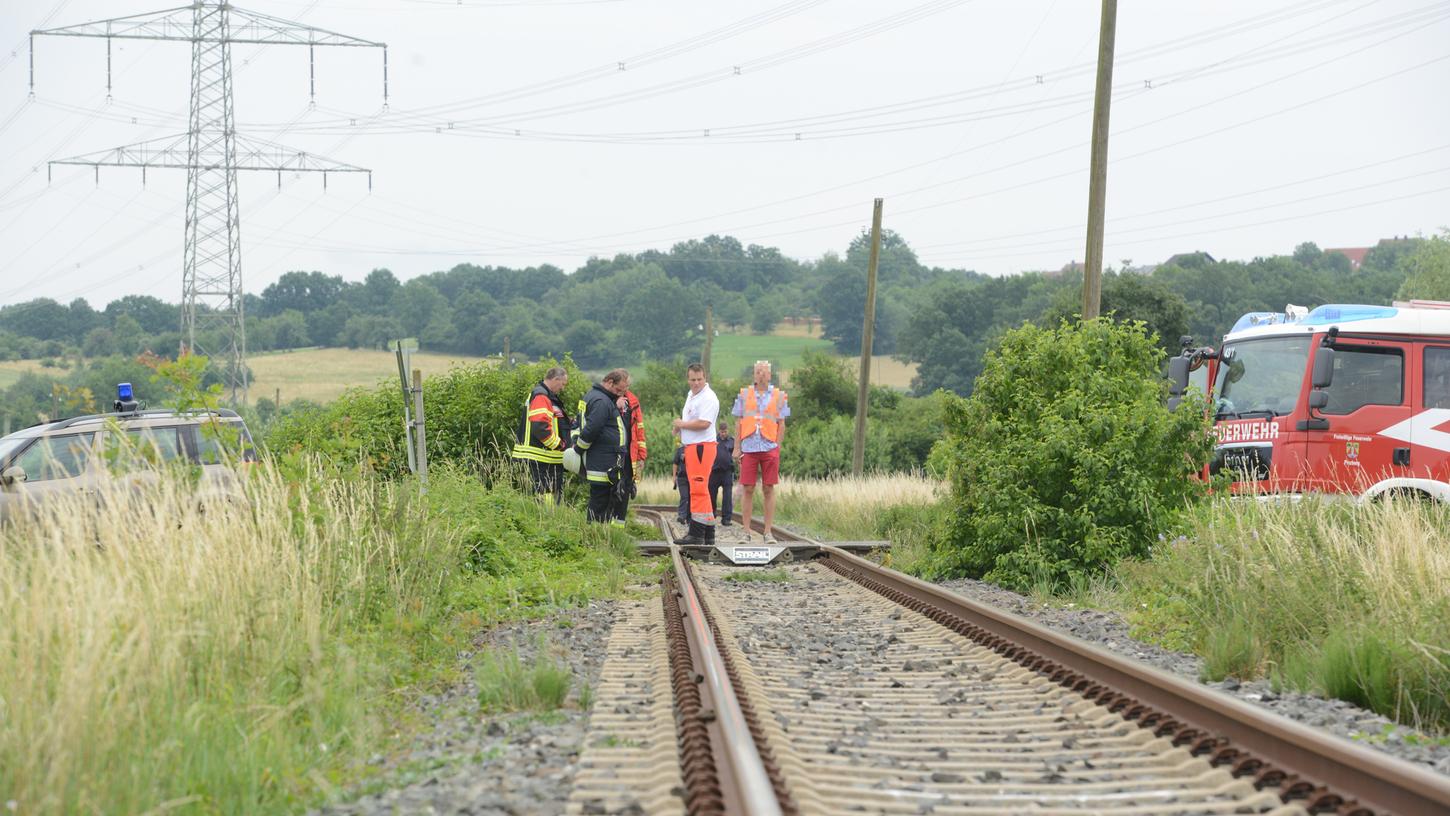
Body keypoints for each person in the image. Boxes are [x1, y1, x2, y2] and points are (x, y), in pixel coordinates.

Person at [732, 360, 790, 543]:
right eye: (758, 371)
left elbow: (782, 424)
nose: (761, 375)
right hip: (749, 446)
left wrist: (777, 447)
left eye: (764, 372)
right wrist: (736, 447)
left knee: (768, 488)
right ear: (754, 375)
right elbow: (738, 421)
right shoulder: (743, 394)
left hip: (768, 447)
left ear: (770, 375)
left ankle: (768, 532)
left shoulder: (780, 396)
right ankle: (746, 532)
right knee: (747, 488)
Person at [575, 368, 630, 524]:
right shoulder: (601, 401)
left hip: (604, 460)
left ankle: (597, 534)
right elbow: (591, 429)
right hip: (602, 462)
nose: (620, 394)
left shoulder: (599, 397)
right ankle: (594, 536)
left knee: (602, 502)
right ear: (609, 382)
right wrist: (578, 449)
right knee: (600, 502)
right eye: (619, 390)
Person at [672, 362, 718, 545]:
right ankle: (708, 532)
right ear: (688, 379)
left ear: (705, 378)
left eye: (699, 379)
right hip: (693, 447)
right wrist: (680, 428)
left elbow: (704, 423)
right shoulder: (692, 395)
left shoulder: (708, 398)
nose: (696, 383)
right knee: (702, 490)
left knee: (698, 490)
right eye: (693, 379)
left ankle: (696, 534)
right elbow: (691, 419)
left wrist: (682, 425)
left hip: (701, 447)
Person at [510, 366, 571, 504]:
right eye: (563, 384)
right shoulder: (541, 396)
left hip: (545, 457)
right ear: (556, 379)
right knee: (545, 494)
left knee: (547, 493)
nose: (563, 388)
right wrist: (558, 445)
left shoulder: (546, 396)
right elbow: (540, 427)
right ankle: (546, 519)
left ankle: (547, 518)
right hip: (542, 456)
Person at [613, 386, 646, 523]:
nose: (625, 387)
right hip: (611, 454)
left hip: (629, 455)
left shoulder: (633, 401)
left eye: (627, 384)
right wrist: (615, 406)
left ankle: (619, 528)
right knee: (610, 490)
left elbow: (640, 431)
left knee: (625, 490)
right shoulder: (606, 399)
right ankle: (606, 528)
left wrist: (641, 456)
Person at [710, 420, 735, 526]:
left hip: (727, 472)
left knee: (727, 496)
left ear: (727, 431)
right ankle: (711, 514)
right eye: (721, 432)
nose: (723, 433)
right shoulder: (713, 440)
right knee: (711, 495)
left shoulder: (732, 441)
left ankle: (726, 519)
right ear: (719, 431)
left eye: (725, 432)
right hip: (714, 472)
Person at [672, 443, 688, 524]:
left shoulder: (695, 448)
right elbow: (675, 463)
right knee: (684, 496)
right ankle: (682, 515)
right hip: (682, 477)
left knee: (691, 498)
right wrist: (674, 476)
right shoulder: (680, 450)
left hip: (692, 478)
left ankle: (689, 517)